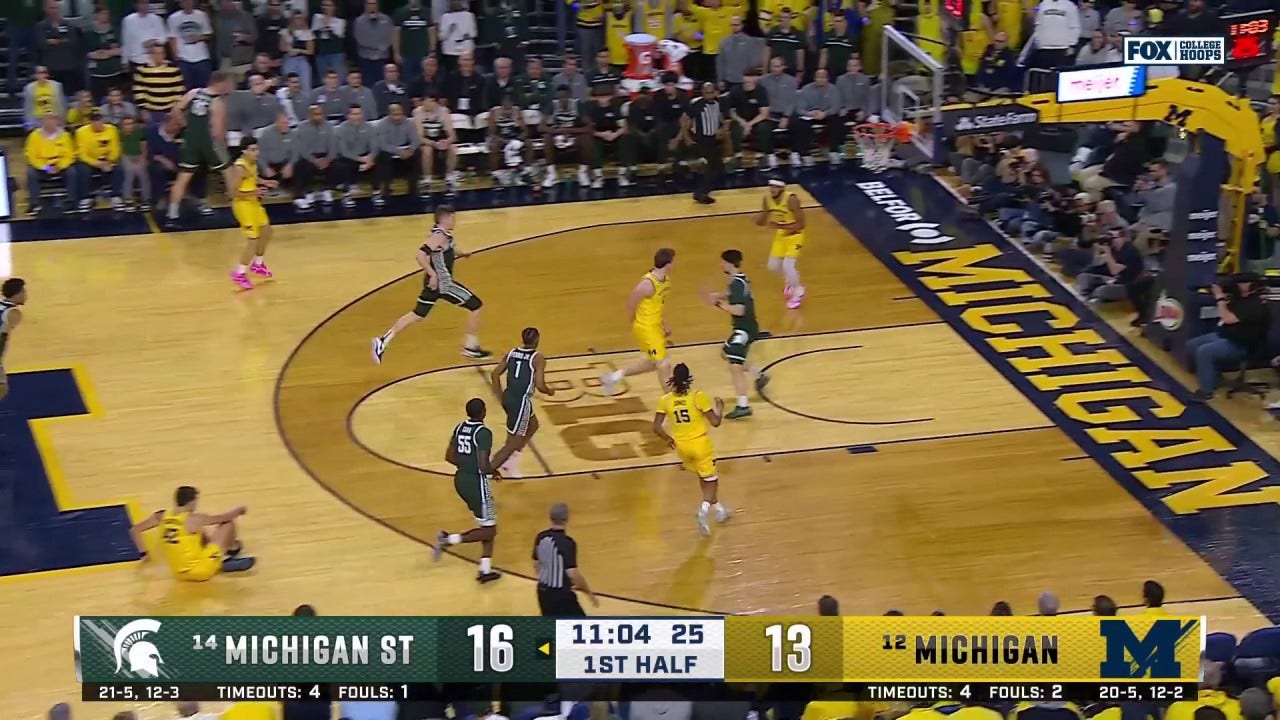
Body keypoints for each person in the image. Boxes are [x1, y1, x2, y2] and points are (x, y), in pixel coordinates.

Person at [371, 205, 490, 363]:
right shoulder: (439, 236)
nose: (454, 221)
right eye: (453, 218)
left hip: (432, 285)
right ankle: (470, 346)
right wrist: (433, 274)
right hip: (443, 284)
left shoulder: (441, 234)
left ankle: (383, 341)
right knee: (476, 305)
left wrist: (462, 254)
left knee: (417, 314)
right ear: (445, 218)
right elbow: (420, 255)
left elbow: (444, 250)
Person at [652, 363, 730, 537]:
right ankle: (703, 510)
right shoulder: (698, 397)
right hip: (700, 445)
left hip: (681, 447)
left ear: (673, 379)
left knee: (704, 477)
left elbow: (656, 427)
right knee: (712, 480)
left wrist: (668, 440)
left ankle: (720, 510)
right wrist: (720, 408)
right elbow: (715, 422)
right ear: (689, 379)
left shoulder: (665, 400)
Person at [432, 397, 501, 584]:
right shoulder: (484, 433)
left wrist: (465, 465)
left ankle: (485, 570)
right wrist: (494, 471)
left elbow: (449, 456)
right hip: (477, 484)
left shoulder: (459, 428)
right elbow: (483, 466)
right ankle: (448, 539)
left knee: (487, 525)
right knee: (490, 531)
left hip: (460, 480)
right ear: (483, 412)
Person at [128, 485, 257, 581]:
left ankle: (219, 556)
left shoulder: (161, 516)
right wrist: (239, 510)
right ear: (191, 502)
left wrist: (144, 554)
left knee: (197, 533)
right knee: (228, 524)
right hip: (201, 571)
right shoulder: (195, 519)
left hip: (178, 574)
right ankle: (227, 555)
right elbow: (225, 517)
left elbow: (134, 530)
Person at [701, 249, 769, 418]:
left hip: (744, 329)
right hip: (746, 327)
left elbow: (739, 310)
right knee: (725, 353)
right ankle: (758, 374)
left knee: (735, 366)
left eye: (723, 262)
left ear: (729, 263)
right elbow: (731, 293)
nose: (721, 265)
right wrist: (717, 295)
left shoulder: (736, 284)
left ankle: (743, 405)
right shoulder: (740, 279)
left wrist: (718, 303)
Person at [601, 248, 675, 395]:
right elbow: (631, 303)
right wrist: (634, 323)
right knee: (664, 364)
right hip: (646, 328)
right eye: (673, 262)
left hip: (655, 327)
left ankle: (612, 377)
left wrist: (664, 323)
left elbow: (659, 305)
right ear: (668, 264)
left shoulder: (666, 281)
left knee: (654, 362)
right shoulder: (647, 283)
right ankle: (672, 400)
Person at [166, 71, 235, 228]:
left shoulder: (194, 93)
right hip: (210, 143)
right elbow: (217, 131)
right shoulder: (218, 102)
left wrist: (186, 125)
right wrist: (223, 146)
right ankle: (237, 213)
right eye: (229, 83)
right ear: (222, 83)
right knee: (231, 174)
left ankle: (172, 216)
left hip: (190, 141)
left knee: (182, 179)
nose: (230, 87)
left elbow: (175, 110)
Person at [1187, 274, 1270, 403]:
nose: (1237, 285)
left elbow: (1227, 318)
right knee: (1192, 345)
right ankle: (1213, 377)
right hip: (1227, 335)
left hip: (1243, 345)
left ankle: (1206, 392)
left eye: (1241, 282)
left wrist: (1220, 298)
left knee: (1204, 351)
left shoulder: (1256, 304)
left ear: (1250, 285)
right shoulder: (1240, 298)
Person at [489, 327, 555, 478]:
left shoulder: (512, 353)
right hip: (521, 402)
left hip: (509, 396)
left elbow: (495, 374)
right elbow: (540, 385)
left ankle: (510, 462)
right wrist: (549, 391)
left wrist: (499, 396)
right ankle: (489, 468)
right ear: (537, 339)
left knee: (533, 425)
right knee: (513, 441)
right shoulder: (538, 358)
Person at [227, 137, 277, 290]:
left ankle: (258, 264)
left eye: (257, 149)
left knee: (266, 231)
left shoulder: (252, 163)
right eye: (253, 150)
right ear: (244, 151)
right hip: (243, 206)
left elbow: (251, 177)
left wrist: (265, 182)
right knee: (253, 241)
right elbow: (232, 193)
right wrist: (254, 192)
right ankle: (239, 273)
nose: (257, 152)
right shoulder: (239, 168)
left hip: (253, 203)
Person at [533, 503, 599, 616]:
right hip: (561, 595)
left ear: (550, 517)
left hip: (542, 592)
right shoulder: (567, 543)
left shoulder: (541, 537)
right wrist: (589, 593)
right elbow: (573, 574)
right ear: (567, 518)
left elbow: (536, 564)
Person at [757, 179, 807, 308]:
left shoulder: (792, 199)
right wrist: (757, 220)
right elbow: (762, 220)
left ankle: (799, 290)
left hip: (795, 236)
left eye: (776, 187)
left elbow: (801, 224)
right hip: (781, 235)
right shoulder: (767, 199)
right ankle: (791, 281)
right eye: (771, 186)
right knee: (772, 266)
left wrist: (779, 226)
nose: (773, 189)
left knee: (788, 266)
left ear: (782, 188)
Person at [683, 82, 725, 205]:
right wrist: (687, 138)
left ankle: (703, 192)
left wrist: (722, 130)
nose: (709, 95)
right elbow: (686, 120)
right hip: (702, 140)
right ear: (702, 93)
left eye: (711, 92)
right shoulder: (698, 105)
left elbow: (722, 120)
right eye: (707, 93)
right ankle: (701, 193)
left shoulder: (718, 103)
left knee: (718, 168)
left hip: (714, 140)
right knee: (711, 167)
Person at [73, 109, 123, 213]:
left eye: (101, 122)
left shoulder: (112, 129)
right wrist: (97, 164)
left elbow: (116, 149)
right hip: (89, 161)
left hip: (107, 160)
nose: (99, 125)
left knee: (120, 168)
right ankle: (85, 198)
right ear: (91, 123)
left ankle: (115, 196)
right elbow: (82, 154)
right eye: (96, 123)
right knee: (83, 170)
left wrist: (109, 160)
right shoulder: (81, 132)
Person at [373, 103, 422, 206]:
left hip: (405, 149)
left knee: (417, 153)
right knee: (382, 155)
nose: (398, 117)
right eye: (395, 115)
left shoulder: (409, 123)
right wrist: (397, 151)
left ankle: (413, 189)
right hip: (389, 150)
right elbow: (382, 144)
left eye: (400, 114)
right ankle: (385, 190)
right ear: (389, 114)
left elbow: (415, 140)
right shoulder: (382, 124)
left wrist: (410, 150)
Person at [413, 92, 460, 193]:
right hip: (426, 140)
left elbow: (452, 135)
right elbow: (419, 137)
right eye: (423, 101)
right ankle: (427, 180)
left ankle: (449, 178)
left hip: (441, 138)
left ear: (435, 102)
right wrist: (433, 143)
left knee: (453, 149)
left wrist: (447, 142)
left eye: (427, 101)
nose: (424, 103)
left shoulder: (444, 111)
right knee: (427, 151)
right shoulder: (417, 112)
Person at [488, 91, 530, 186]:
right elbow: (491, 133)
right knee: (493, 146)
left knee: (528, 143)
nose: (507, 103)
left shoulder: (517, 111)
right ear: (501, 102)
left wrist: (517, 139)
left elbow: (525, 131)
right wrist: (504, 140)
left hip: (514, 138)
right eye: (505, 101)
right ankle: (495, 175)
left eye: (510, 101)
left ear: (513, 102)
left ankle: (526, 172)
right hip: (500, 138)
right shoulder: (494, 112)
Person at [0, 278, 28, 401]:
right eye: (24, 292)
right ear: (17, 293)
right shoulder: (14, 313)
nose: (26, 296)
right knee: (2, 388)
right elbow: (2, 337)